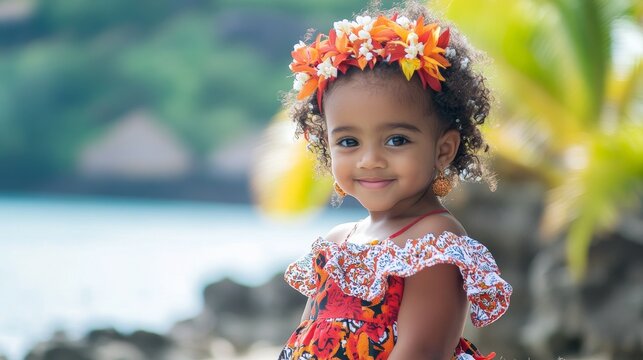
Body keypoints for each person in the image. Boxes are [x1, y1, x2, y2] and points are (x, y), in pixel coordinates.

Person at [277, 1, 512, 359]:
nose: (370, 160)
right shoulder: (336, 242)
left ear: (443, 149)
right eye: (349, 142)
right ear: (327, 145)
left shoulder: (435, 244)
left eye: (397, 140)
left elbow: (420, 353)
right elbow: (302, 343)